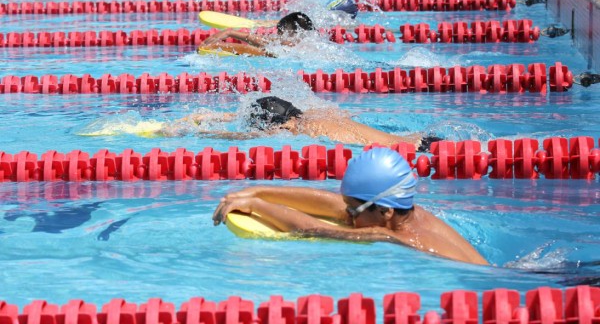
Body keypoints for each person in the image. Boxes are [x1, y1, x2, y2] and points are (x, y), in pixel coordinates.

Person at [212, 148, 489, 265]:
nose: (345, 216)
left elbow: (314, 229)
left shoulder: (393, 235)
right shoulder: (407, 213)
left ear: (385, 212)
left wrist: (258, 206)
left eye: (352, 212)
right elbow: (330, 204)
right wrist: (260, 189)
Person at [160, 96, 441, 151]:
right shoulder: (319, 113)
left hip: (413, 156)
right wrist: (230, 116)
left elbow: (241, 140)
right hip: (422, 140)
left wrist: (191, 129)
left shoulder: (292, 129)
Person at [198, 12, 314, 57]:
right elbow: (267, 42)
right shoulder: (309, 45)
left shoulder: (292, 47)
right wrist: (230, 32)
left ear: (296, 33)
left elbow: (262, 50)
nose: (277, 36)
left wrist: (221, 47)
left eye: (280, 32)